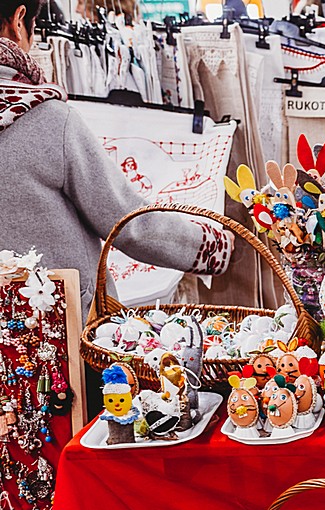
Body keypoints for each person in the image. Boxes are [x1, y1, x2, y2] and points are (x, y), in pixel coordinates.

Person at [0, 0, 231, 317]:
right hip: (54, 328)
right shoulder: (47, 120)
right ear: (18, 19)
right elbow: (127, 223)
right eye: (34, 27)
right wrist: (214, 247)